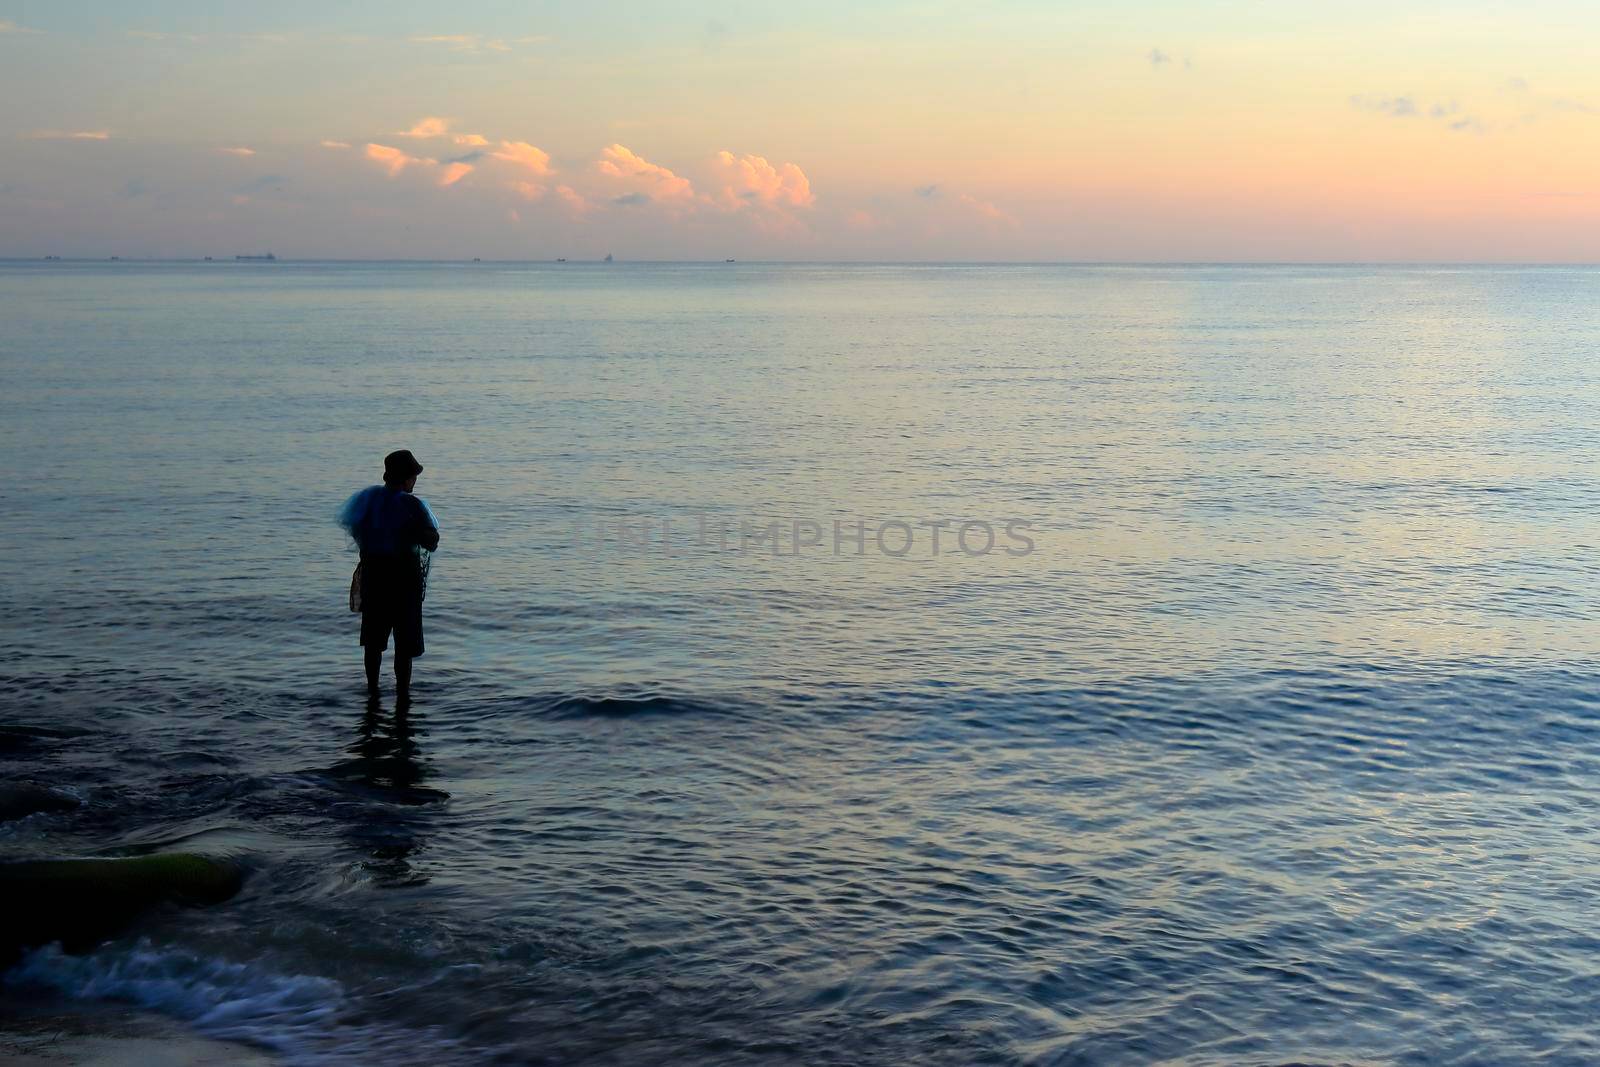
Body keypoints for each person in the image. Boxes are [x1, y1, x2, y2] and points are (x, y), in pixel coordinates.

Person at [338, 450, 440, 702]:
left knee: (373, 642)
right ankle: (402, 696)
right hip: (404, 582)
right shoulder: (411, 505)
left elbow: (357, 531)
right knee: (403, 646)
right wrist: (412, 532)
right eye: (413, 476)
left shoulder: (367, 501)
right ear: (406, 479)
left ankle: (372, 693)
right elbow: (432, 541)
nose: (415, 481)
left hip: (374, 578)